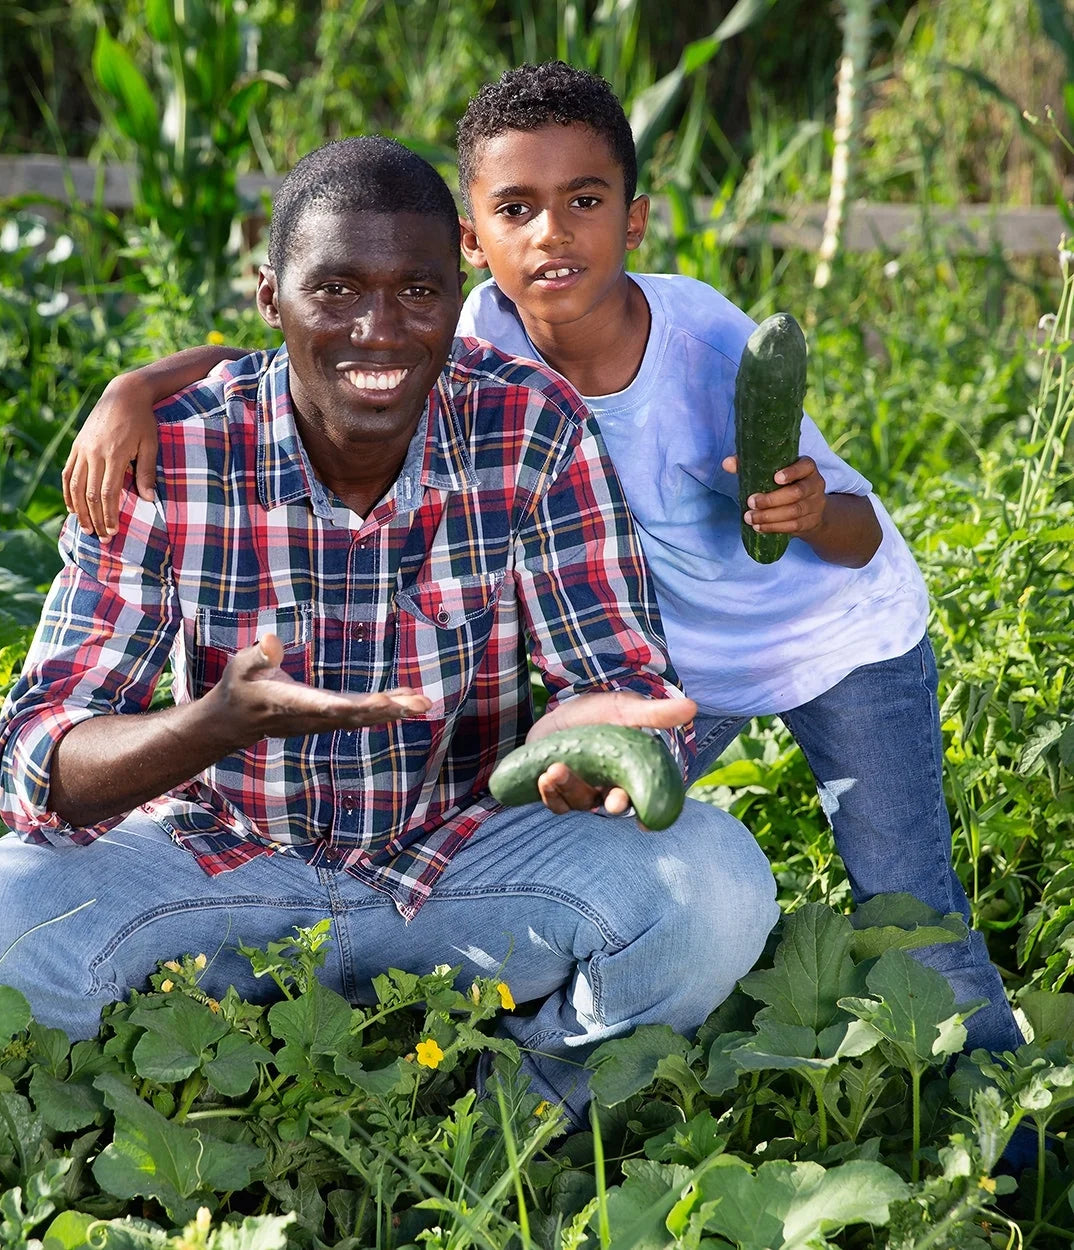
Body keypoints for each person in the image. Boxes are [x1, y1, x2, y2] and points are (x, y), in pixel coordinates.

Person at [59, 68, 1022, 1058]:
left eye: (585, 202)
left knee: (907, 905)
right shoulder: (470, 332)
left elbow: (860, 534)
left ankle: (1003, 1135)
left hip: (835, 640)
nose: (552, 234)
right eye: (516, 209)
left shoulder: (703, 341)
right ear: (472, 240)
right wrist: (134, 386)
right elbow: (305, 339)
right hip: (669, 670)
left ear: (634, 220)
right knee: (568, 825)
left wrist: (811, 510)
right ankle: (523, 1047)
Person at [0, 135, 778, 1128]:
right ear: (268, 294)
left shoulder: (530, 426)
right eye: (335, 291)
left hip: (459, 863)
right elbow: (37, 753)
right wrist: (209, 726)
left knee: (714, 887)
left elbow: (610, 674)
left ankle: (518, 1111)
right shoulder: (176, 450)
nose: (378, 330)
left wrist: (595, 739)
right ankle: (167, 1084)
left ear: (456, 289)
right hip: (216, 867)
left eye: (416, 291)